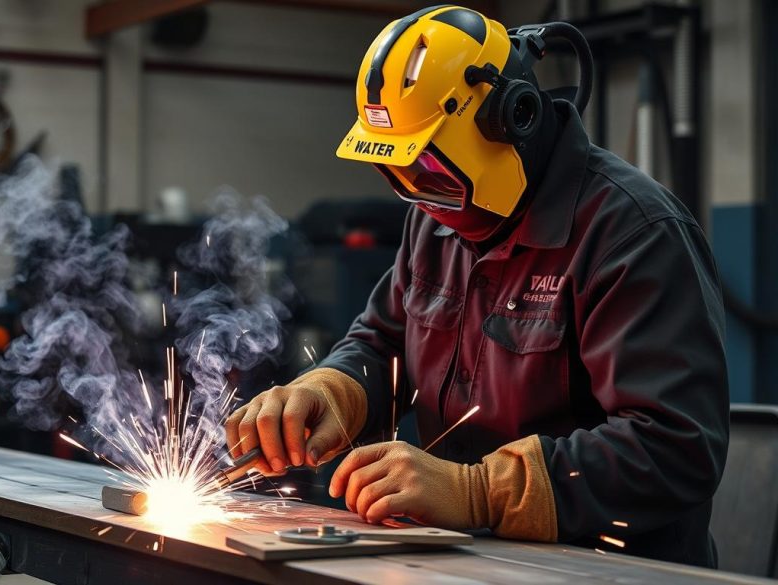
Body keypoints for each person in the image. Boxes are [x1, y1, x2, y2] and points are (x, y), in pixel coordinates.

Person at [225, 5, 729, 568]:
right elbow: (381, 341)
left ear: (513, 118)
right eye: (402, 176)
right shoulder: (436, 218)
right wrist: (332, 389)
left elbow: (675, 448)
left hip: (608, 571)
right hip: (465, 561)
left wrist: (477, 492)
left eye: (433, 174)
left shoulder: (631, 234)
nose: (423, 199)